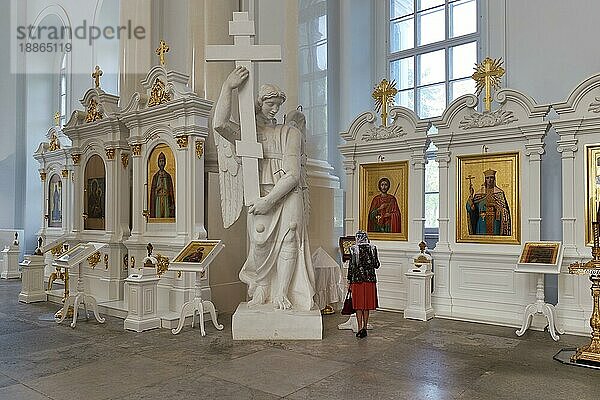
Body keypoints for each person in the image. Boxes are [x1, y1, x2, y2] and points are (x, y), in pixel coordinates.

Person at [213, 66, 315, 311]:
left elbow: (292, 175)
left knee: (289, 238)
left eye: (278, 105)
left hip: (286, 193)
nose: (275, 109)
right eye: (270, 103)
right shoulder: (248, 133)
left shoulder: (290, 132)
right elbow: (220, 124)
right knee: (260, 242)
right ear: (259, 103)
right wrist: (227, 87)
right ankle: (262, 288)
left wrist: (268, 201)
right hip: (259, 191)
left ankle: (281, 293)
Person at [347, 230, 379, 338]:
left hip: (357, 280)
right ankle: (365, 327)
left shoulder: (353, 249)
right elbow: (376, 265)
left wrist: (349, 281)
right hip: (370, 280)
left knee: (358, 306)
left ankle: (360, 328)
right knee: (367, 306)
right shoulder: (373, 248)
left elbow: (351, 267)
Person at [466, 169, 511, 235]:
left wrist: (497, 207)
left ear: (494, 179)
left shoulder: (499, 193)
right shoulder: (479, 194)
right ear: (485, 179)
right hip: (482, 222)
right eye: (487, 178)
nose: (489, 180)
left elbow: (505, 210)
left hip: (495, 222)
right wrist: (471, 196)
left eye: (491, 178)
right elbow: (471, 209)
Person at [150, 152, 175, 218]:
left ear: (165, 162)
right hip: (158, 199)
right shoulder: (155, 176)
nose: (162, 163)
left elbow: (171, 191)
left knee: (166, 216)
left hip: (166, 199)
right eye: (160, 161)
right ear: (158, 163)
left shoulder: (168, 176)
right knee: (158, 216)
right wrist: (158, 188)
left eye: (163, 161)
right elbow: (153, 193)